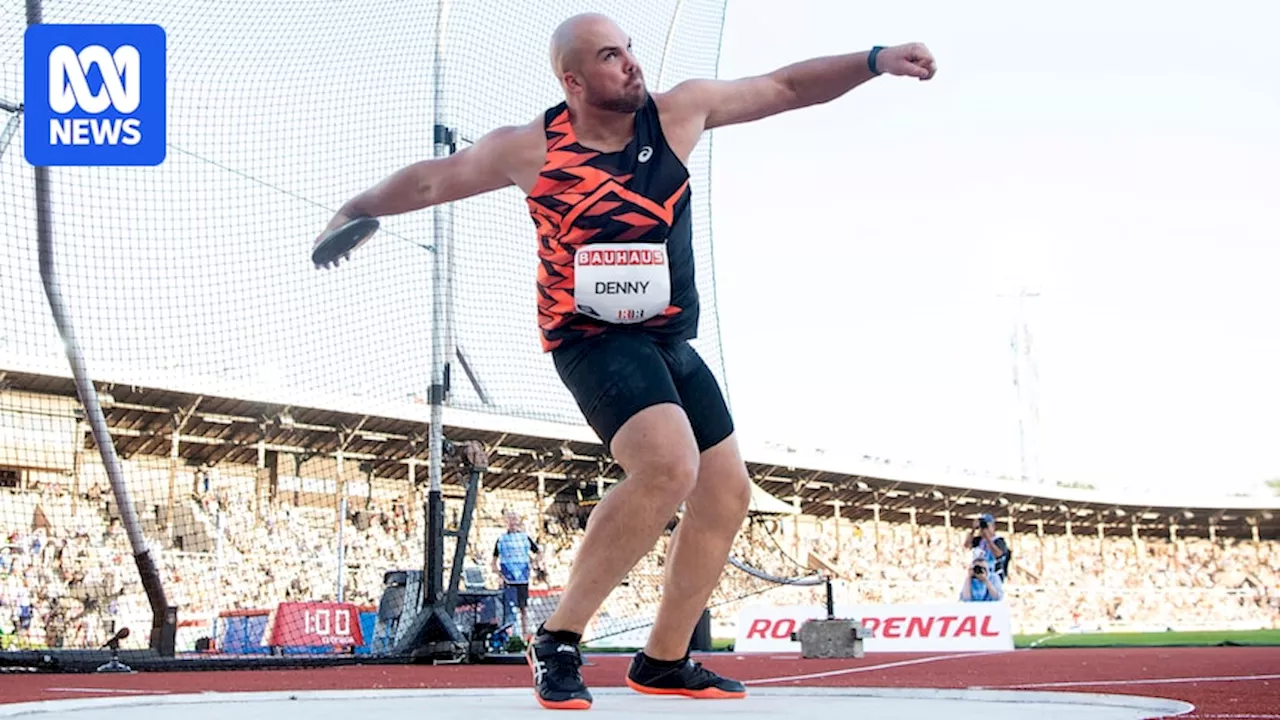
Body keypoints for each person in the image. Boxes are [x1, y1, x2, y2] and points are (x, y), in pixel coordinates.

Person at [315, 12, 936, 710]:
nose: (632, 64)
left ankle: (664, 660)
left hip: (669, 338)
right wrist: (353, 209)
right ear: (574, 81)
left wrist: (876, 58)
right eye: (612, 57)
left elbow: (787, 85)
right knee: (670, 465)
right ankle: (557, 637)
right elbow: (433, 182)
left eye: (631, 49)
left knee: (726, 494)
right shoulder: (532, 150)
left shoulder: (678, 115)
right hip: (589, 338)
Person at [492, 510, 543, 638]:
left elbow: (539, 552)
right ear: (506, 522)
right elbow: (493, 561)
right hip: (508, 579)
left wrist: (533, 564)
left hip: (522, 579)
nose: (512, 522)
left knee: (523, 608)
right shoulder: (501, 540)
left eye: (514, 519)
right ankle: (509, 635)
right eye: (509, 519)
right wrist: (499, 573)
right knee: (508, 609)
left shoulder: (525, 538)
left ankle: (525, 635)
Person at [969, 513, 1012, 583]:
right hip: (979, 575)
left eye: (986, 526)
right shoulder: (979, 540)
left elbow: (998, 554)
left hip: (993, 576)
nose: (983, 529)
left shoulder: (999, 541)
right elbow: (967, 545)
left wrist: (988, 539)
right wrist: (973, 530)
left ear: (993, 526)